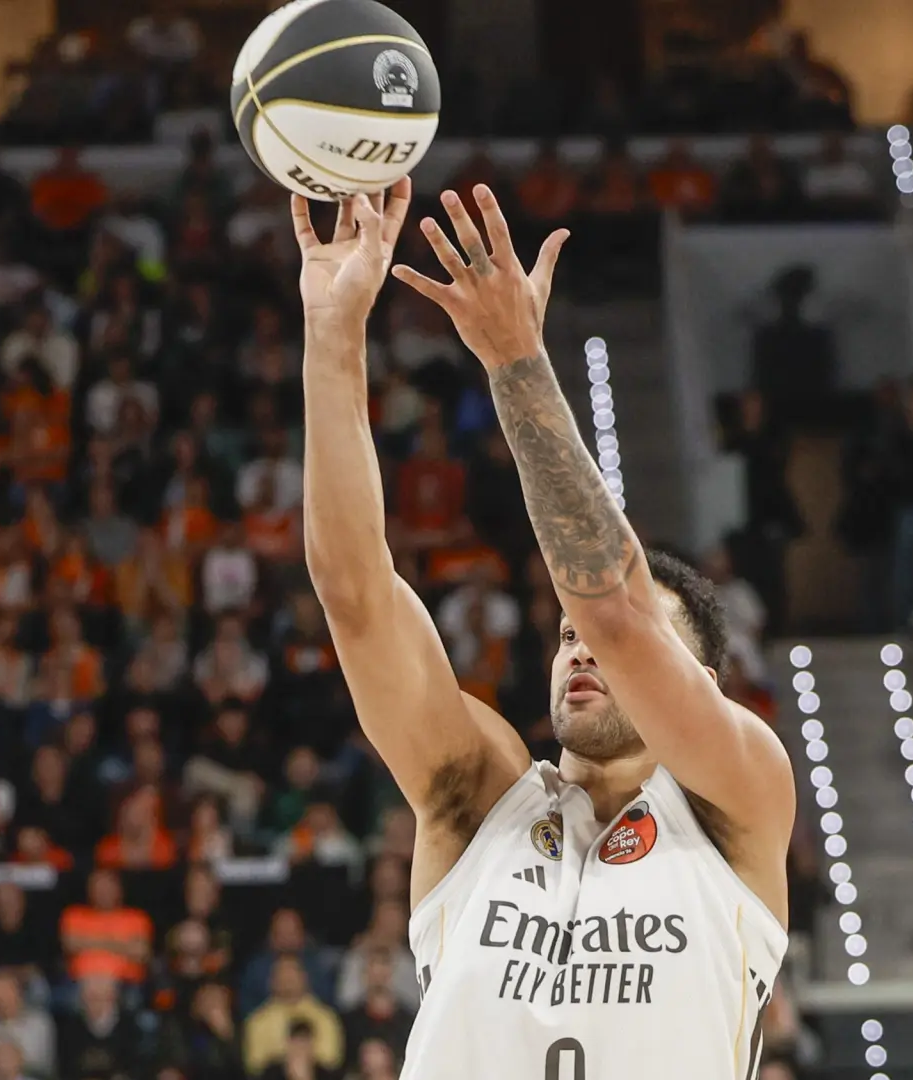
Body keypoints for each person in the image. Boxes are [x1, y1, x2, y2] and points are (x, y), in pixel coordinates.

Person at [294, 178, 792, 1077]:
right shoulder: (479, 795)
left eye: (600, 641)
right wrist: (333, 339)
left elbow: (615, 609)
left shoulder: (736, 803)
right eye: (562, 638)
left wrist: (516, 359)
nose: (580, 646)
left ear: (703, 683)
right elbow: (353, 591)